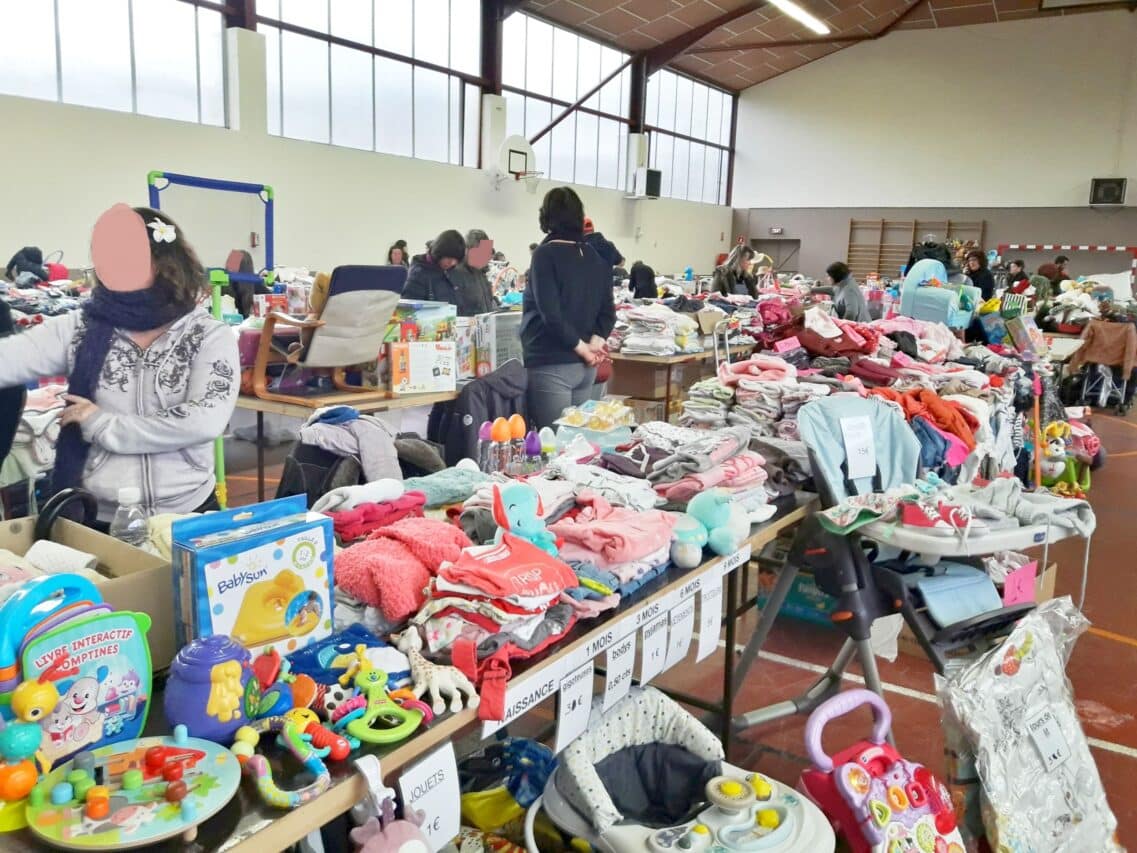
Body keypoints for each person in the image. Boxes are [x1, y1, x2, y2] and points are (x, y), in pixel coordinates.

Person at [0, 204, 239, 520]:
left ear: (166, 261)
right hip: (100, 515)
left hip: (187, 512)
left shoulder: (207, 335)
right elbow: (9, 360)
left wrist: (102, 425)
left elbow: (204, 419)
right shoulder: (79, 328)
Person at [522, 187, 616, 429]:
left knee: (551, 446)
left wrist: (582, 348)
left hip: (552, 363)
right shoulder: (596, 257)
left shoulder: (545, 255)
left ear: (547, 217)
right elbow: (608, 312)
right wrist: (594, 343)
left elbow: (550, 314)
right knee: (574, 444)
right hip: (585, 370)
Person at [402, 229, 484, 316]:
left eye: (456, 260)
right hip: (430, 327)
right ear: (439, 252)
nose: (452, 263)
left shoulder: (450, 271)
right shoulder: (418, 274)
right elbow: (407, 314)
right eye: (449, 258)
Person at [452, 228, 496, 316]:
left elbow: (488, 300)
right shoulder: (456, 273)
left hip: (485, 325)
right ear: (467, 250)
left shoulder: (480, 272)